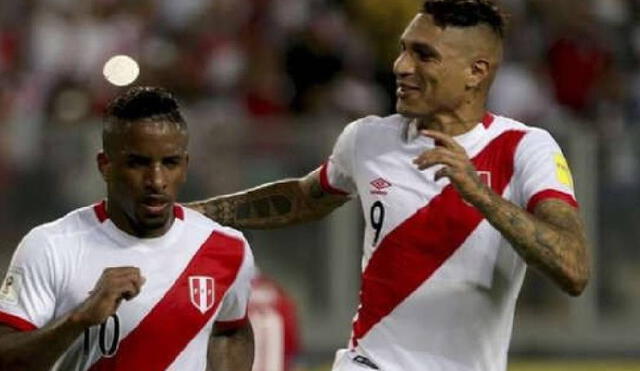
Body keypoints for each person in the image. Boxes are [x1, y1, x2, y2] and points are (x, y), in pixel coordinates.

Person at [189, 0, 590, 370]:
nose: (401, 66)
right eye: (404, 48)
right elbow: (301, 198)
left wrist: (479, 194)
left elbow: (573, 269)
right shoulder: (368, 139)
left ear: (476, 71)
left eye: (424, 55)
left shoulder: (522, 148)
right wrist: (196, 215)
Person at [0, 87, 256, 370]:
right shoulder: (51, 246)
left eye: (169, 163)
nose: (156, 180)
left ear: (185, 166)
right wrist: (79, 319)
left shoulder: (226, 248)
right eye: (138, 163)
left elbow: (231, 329)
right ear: (104, 166)